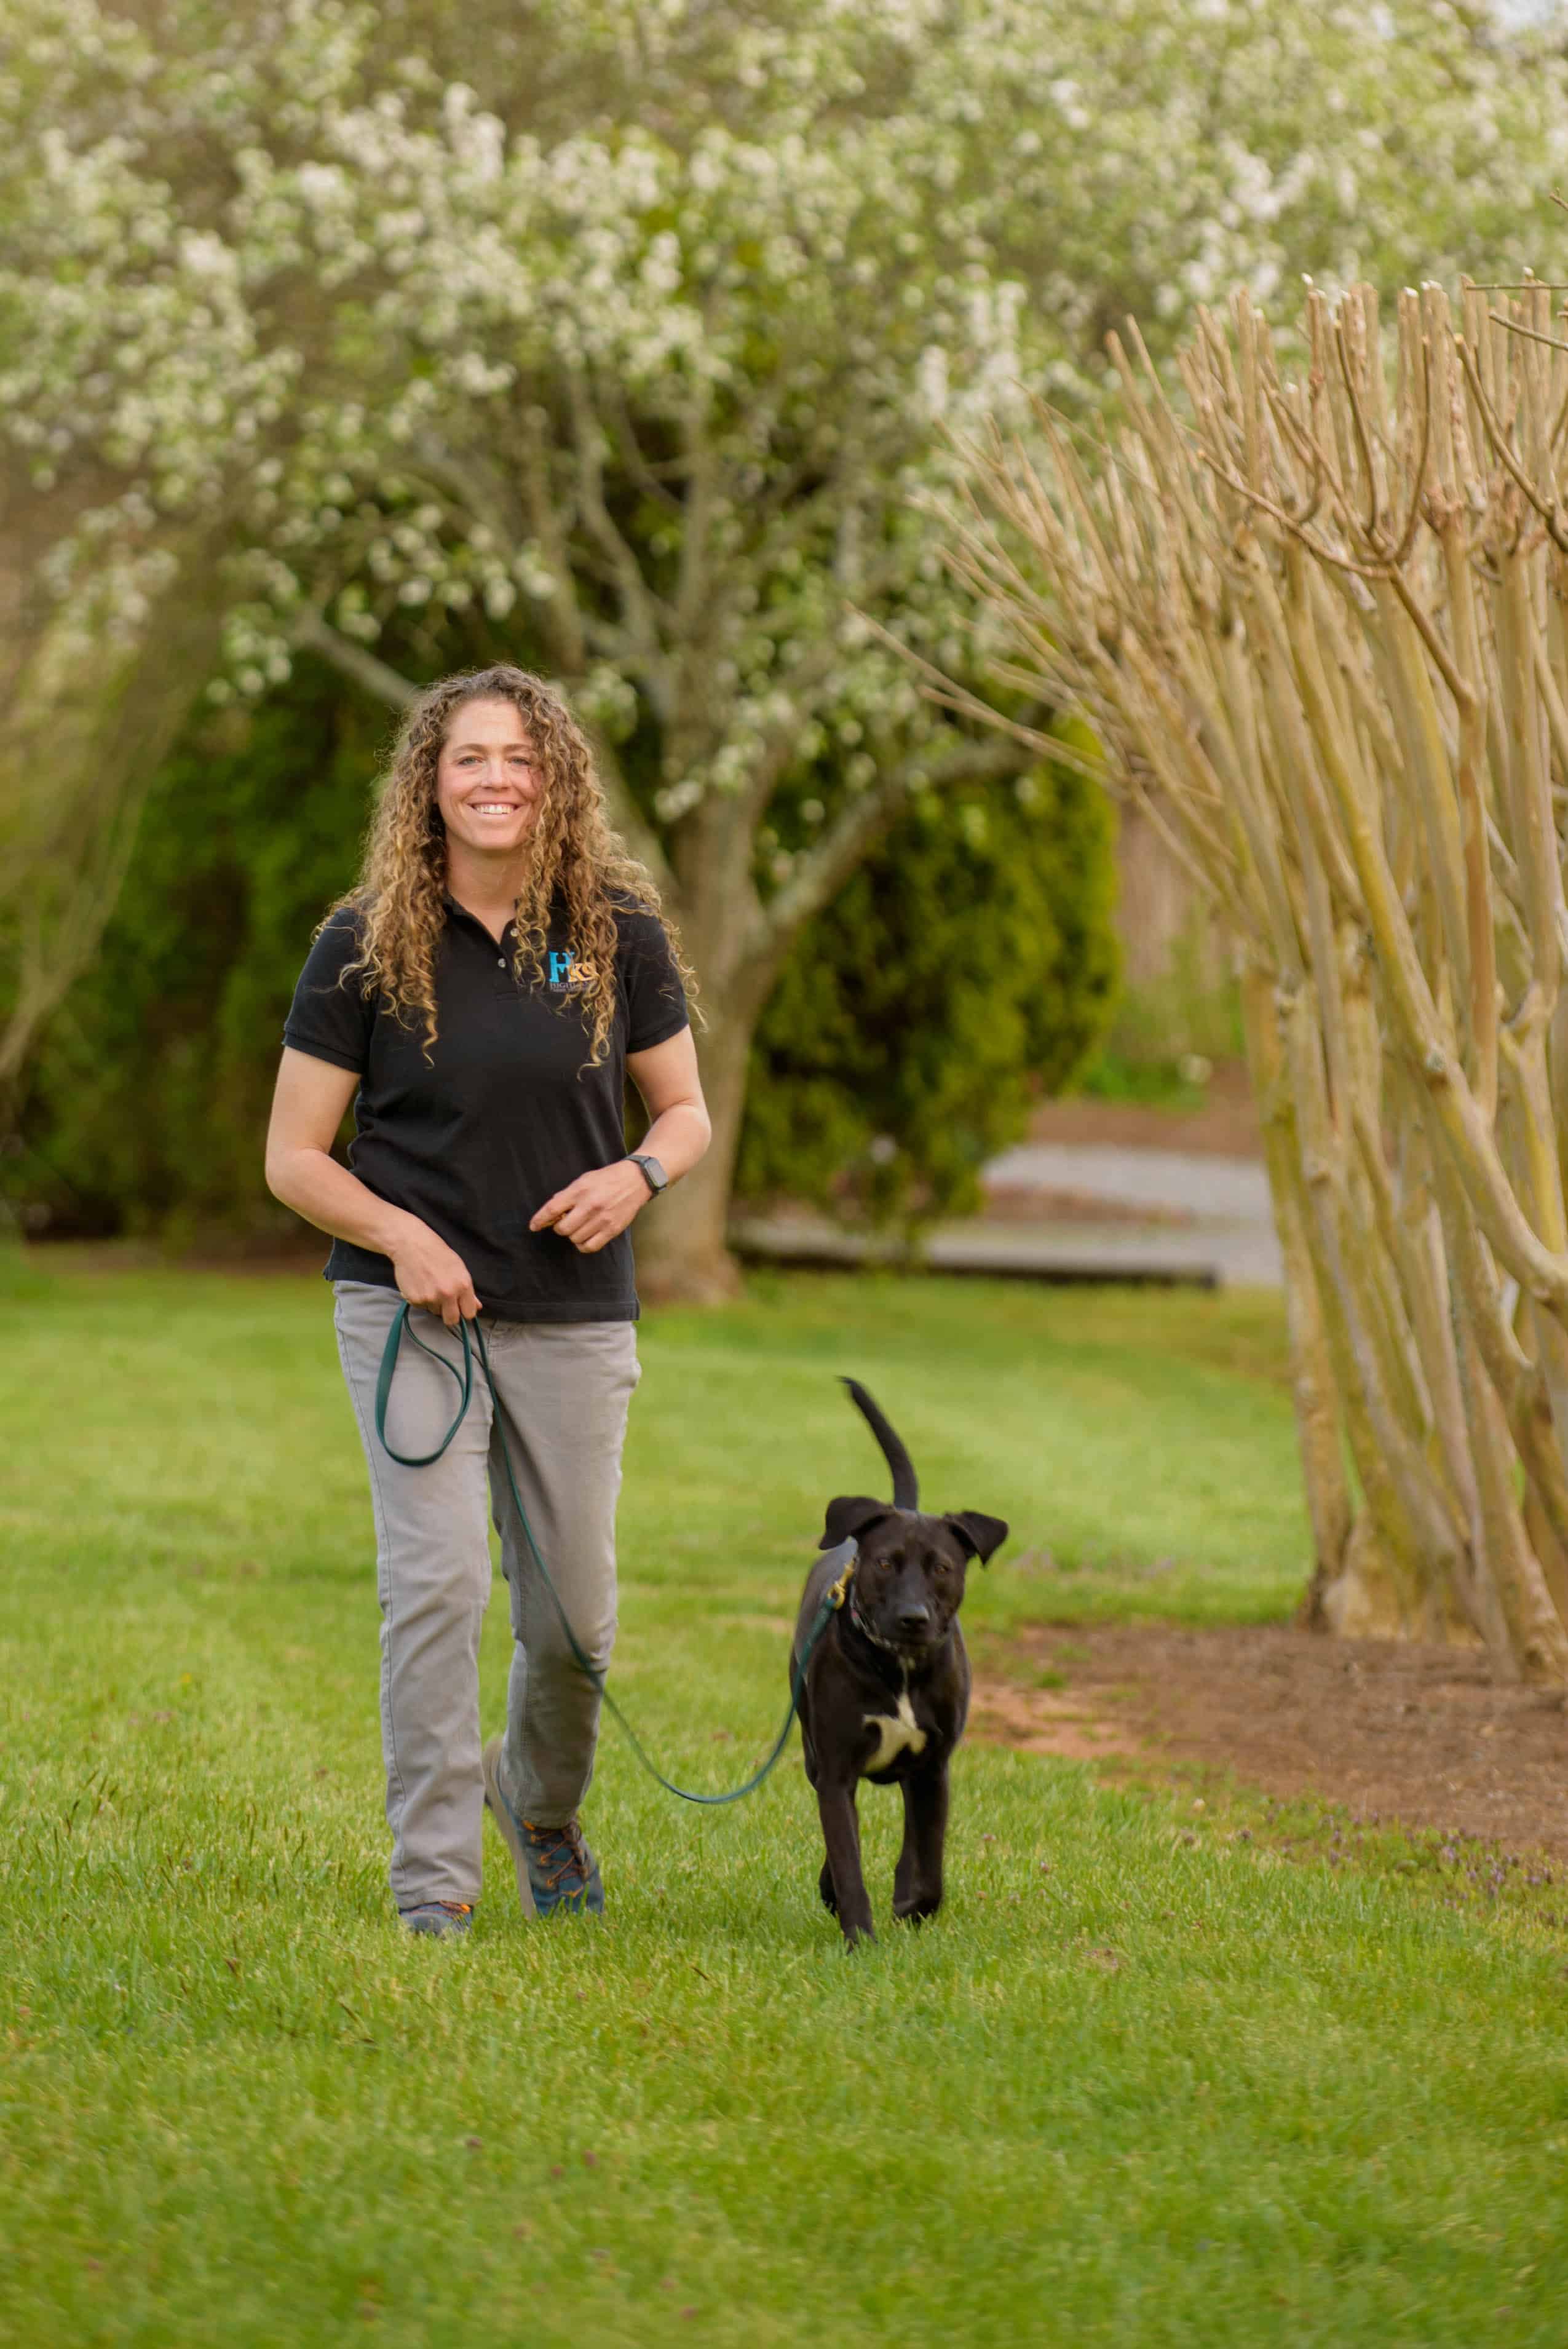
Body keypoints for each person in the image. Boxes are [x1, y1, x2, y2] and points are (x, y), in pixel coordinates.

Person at [264, 665, 710, 1937]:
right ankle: (434, 1883)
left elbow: (686, 1111)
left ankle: (544, 1807)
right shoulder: (365, 939)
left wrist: (639, 1174)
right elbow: (294, 1156)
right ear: (431, 781)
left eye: (519, 755)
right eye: (469, 756)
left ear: (555, 774)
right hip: (413, 1320)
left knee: (574, 1619)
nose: (496, 776)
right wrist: (401, 1235)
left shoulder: (615, 926)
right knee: (441, 1584)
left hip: (575, 1313)